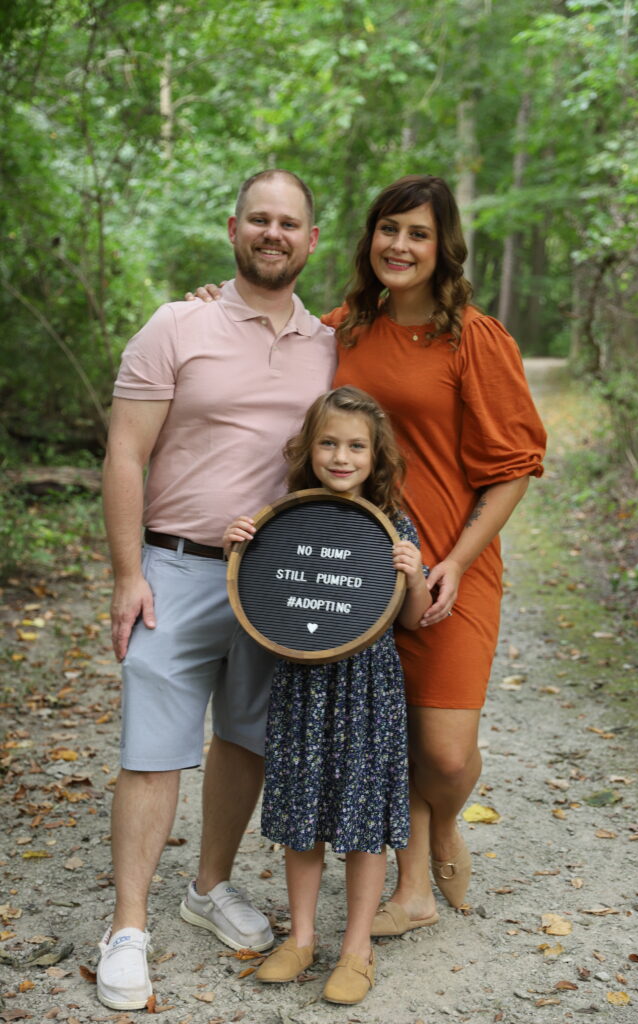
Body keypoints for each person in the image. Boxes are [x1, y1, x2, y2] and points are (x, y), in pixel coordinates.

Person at [189, 173, 546, 937]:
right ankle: (411, 888)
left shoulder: (474, 338)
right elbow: (269, 344)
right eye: (389, 229)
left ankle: (444, 821)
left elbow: (513, 467)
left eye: (418, 233)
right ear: (368, 239)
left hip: (445, 565)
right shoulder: (343, 328)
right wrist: (209, 310)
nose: (400, 245)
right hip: (350, 569)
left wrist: (454, 561)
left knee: (445, 756)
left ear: (442, 247)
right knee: (391, 728)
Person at [97, 170, 337, 1011]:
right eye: (260, 220)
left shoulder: (331, 343)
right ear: (234, 229)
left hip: (274, 579)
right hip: (173, 565)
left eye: (291, 224)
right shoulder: (177, 324)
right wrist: (128, 574)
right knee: (153, 747)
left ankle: (208, 888)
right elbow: (125, 453)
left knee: (245, 737)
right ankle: (128, 927)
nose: (274, 234)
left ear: (313, 243)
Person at [225, 386, 432, 1005]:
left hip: (367, 690)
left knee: (363, 818)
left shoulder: (392, 526)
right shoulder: (283, 520)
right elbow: (259, 600)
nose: (342, 456)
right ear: (309, 448)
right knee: (301, 816)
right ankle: (303, 938)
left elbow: (416, 620)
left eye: (356, 446)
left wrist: (414, 574)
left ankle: (357, 948)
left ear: (377, 456)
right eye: (329, 443)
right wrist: (239, 547)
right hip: (302, 686)